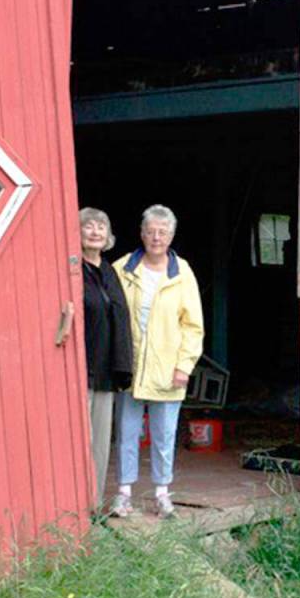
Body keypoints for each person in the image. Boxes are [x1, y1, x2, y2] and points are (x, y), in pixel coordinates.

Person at [112, 204, 204, 518]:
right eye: (150, 231)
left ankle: (162, 493)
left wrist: (184, 365)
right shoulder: (123, 268)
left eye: (162, 232)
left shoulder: (183, 273)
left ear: (171, 236)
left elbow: (193, 325)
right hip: (132, 367)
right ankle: (124, 492)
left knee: (164, 435)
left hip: (168, 368)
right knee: (127, 432)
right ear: (141, 233)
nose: (156, 237)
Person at [79, 208, 133, 509]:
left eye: (101, 226)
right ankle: (74, 503)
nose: (95, 232)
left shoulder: (110, 272)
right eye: (88, 226)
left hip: (105, 371)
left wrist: (123, 366)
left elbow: (121, 319)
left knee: (100, 443)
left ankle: (94, 504)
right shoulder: (72, 270)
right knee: (78, 441)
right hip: (80, 369)